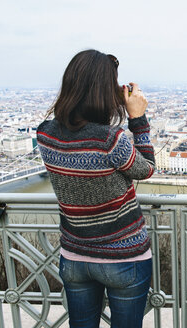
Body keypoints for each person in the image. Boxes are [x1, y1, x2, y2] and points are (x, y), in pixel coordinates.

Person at [36, 49, 155, 328]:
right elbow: (147, 168)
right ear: (106, 92)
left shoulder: (44, 135)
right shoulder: (111, 140)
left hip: (74, 254)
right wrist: (137, 118)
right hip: (124, 254)